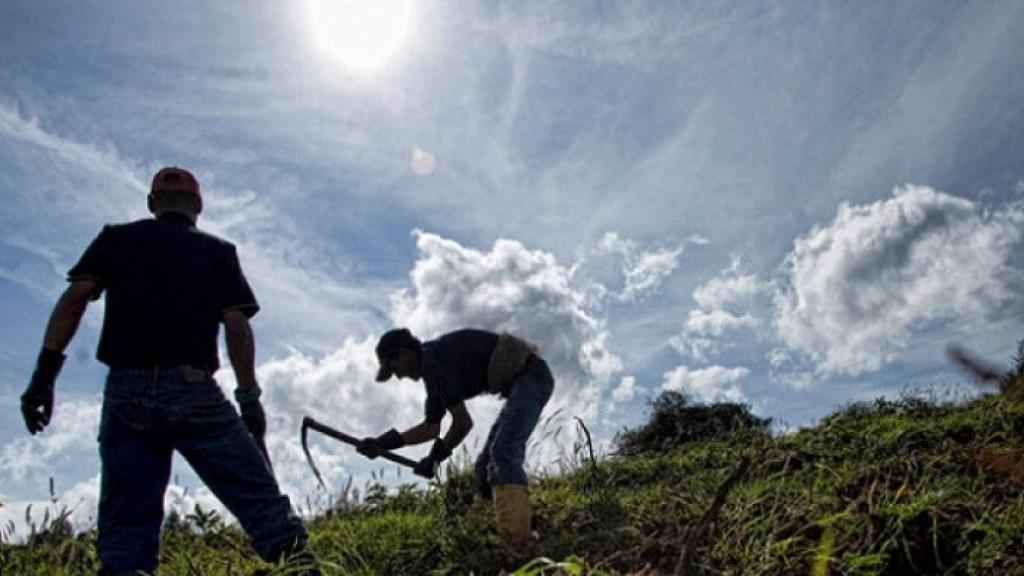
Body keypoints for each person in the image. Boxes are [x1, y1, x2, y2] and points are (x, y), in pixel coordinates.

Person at [18, 167, 318, 575]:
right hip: (193, 390)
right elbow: (237, 327)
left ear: (152, 203)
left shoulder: (115, 240)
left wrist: (43, 378)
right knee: (257, 495)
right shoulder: (218, 252)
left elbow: (75, 299)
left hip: (126, 390)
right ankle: (299, 566)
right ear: (197, 206)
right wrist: (249, 399)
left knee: (126, 533)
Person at [360, 327, 555, 555]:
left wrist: (434, 458)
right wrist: (383, 444)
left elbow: (463, 424)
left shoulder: (435, 362)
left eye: (395, 369)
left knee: (504, 452)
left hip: (531, 377)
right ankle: (490, 530)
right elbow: (431, 428)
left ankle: (518, 547)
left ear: (403, 353)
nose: (400, 376)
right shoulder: (432, 374)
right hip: (517, 386)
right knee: (483, 469)